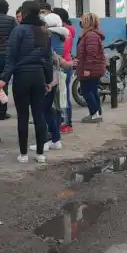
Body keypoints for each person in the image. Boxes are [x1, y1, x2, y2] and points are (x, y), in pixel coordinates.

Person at [0, 1, 53, 164]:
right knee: (39, 115)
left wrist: (4, 79)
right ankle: (40, 154)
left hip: (22, 77)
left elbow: (11, 58)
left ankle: (23, 154)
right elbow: (48, 59)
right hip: (39, 76)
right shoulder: (44, 31)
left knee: (23, 116)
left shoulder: (19, 30)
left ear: (25, 13)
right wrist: (48, 80)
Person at [41, 13, 72, 152]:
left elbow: (51, 54)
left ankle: (50, 137)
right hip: (60, 72)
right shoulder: (63, 34)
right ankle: (55, 136)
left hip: (50, 74)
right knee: (58, 104)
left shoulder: (49, 36)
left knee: (46, 108)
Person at [75, 12, 106, 123]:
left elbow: (91, 53)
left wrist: (87, 69)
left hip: (90, 68)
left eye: (82, 21)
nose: (81, 23)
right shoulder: (89, 34)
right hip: (92, 68)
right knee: (92, 90)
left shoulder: (90, 35)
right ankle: (96, 113)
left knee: (87, 91)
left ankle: (94, 114)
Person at [53, 8, 76, 133]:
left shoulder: (63, 31)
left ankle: (66, 123)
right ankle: (63, 121)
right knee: (62, 95)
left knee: (63, 95)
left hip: (63, 65)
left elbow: (62, 49)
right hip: (65, 63)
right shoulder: (67, 29)